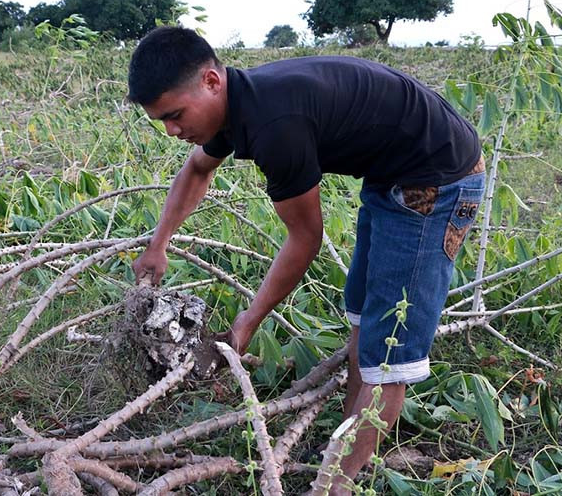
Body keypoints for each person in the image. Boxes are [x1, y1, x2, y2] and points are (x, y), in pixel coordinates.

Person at [127, 26, 485, 493]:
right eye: (163, 122)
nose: (173, 131)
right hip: (390, 174)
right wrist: (158, 245)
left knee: (389, 351)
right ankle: (346, 447)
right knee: (363, 318)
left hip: (437, 182)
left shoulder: (276, 126)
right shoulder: (235, 106)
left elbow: (305, 240)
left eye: (175, 115)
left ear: (212, 82)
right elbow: (197, 168)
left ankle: (337, 483)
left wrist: (247, 323)